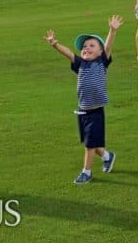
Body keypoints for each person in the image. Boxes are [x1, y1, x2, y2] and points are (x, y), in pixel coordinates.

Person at [44, 15, 123, 184]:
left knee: (89, 145)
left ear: (100, 52)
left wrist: (112, 30)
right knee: (90, 142)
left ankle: (86, 172)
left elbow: (108, 47)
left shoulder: (102, 62)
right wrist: (55, 44)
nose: (87, 48)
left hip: (96, 111)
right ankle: (108, 156)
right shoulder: (80, 64)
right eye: (85, 46)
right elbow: (69, 54)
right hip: (82, 109)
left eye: (92, 46)